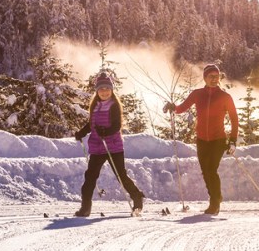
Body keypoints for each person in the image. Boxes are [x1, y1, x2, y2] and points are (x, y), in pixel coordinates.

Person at [163, 64, 238, 215]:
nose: (214, 79)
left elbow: (234, 119)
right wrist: (172, 107)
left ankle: (215, 202)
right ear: (204, 78)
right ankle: (216, 197)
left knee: (211, 170)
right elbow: (181, 108)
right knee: (205, 171)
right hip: (202, 140)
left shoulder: (225, 97)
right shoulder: (197, 94)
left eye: (216, 77)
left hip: (218, 140)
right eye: (210, 76)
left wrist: (232, 141)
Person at [73, 73, 145, 217]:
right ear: (97, 91)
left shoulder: (114, 106)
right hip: (97, 147)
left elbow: (117, 125)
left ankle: (137, 198)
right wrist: (82, 132)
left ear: (111, 90)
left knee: (121, 176)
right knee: (90, 177)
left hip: (113, 147)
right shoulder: (95, 105)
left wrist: (106, 131)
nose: (104, 92)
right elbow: (91, 124)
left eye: (107, 89)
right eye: (101, 89)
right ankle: (85, 208)